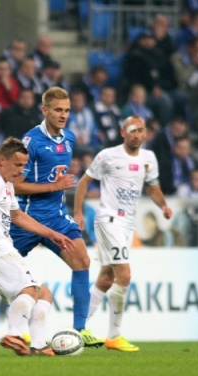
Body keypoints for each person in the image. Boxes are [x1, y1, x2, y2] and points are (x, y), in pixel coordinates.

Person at [0, 87, 102, 348]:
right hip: (26, 216)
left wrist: (61, 197)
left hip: (58, 216)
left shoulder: (69, 139)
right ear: (45, 110)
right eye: (58, 110)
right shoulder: (30, 141)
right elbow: (16, 184)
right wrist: (52, 187)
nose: (63, 115)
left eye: (67, 110)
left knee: (82, 260)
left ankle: (79, 330)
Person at [0, 137, 75, 356]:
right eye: (18, 165)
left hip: (0, 252)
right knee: (29, 290)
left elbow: (17, 216)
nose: (22, 170)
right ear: (2, 160)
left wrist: (53, 234)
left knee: (44, 294)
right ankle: (14, 334)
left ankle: (38, 345)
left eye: (24, 165)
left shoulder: (7, 184)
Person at [74, 116, 172, 352]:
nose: (136, 134)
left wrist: (163, 206)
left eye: (140, 130)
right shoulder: (107, 155)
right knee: (124, 276)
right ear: (122, 133)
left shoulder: (149, 158)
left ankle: (76, 330)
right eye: (132, 130)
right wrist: (78, 212)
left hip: (127, 224)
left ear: (145, 133)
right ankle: (114, 335)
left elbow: (153, 187)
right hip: (109, 220)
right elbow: (84, 182)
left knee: (107, 278)